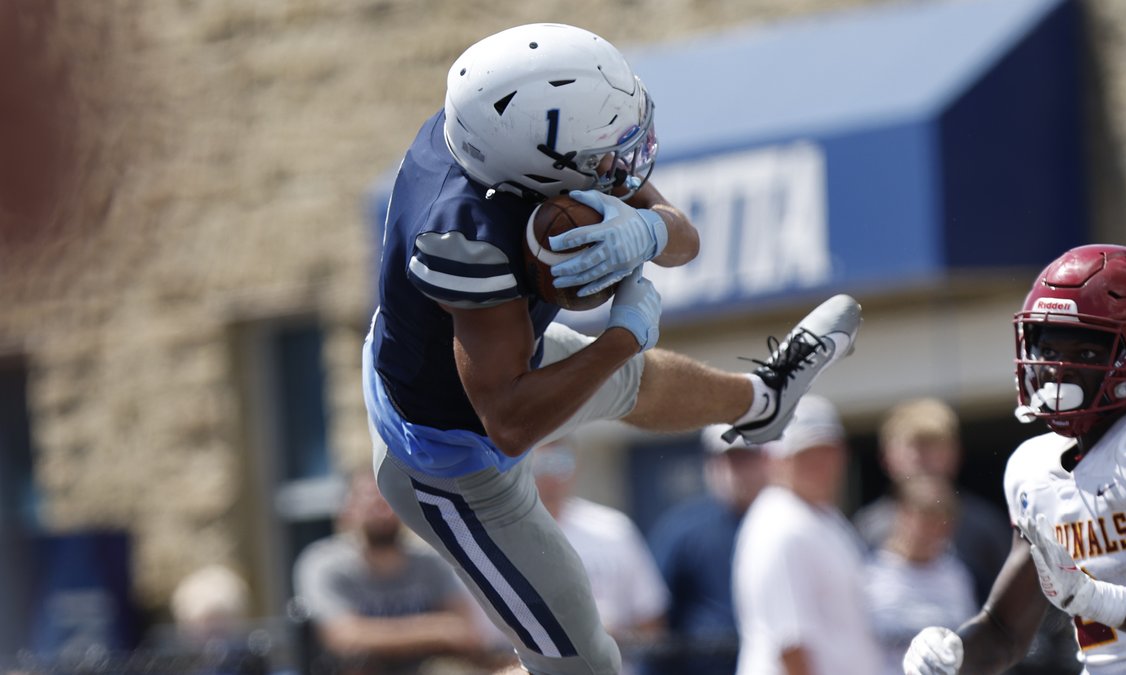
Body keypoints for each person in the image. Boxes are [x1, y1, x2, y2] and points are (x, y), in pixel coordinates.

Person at [362, 22, 862, 675]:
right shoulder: (463, 233)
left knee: (634, 381)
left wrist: (650, 230)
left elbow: (688, 241)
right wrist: (623, 332)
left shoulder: (497, 134)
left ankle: (761, 401)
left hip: (487, 368)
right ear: (538, 158)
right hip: (448, 461)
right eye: (604, 149)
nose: (623, 159)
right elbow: (510, 424)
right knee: (584, 663)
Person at [903, 243, 1126, 675]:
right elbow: (1004, 631)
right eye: (1048, 349)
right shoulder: (1033, 469)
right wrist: (951, 656)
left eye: (1084, 352)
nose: (1056, 369)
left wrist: (1097, 599)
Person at [732, 395, 883, 675]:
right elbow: (791, 645)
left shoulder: (824, 517)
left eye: (826, 451)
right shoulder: (780, 525)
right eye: (805, 454)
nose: (820, 464)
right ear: (774, 460)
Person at [293, 470, 488, 675]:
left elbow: (464, 629)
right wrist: (436, 630)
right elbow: (343, 637)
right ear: (347, 510)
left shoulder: (431, 562)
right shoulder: (324, 564)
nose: (383, 509)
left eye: (388, 499)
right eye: (371, 499)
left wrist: (381, 635)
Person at [852, 397, 1011, 606]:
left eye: (934, 446)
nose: (924, 459)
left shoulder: (984, 526)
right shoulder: (866, 528)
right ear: (887, 458)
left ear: (955, 454)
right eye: (914, 447)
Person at [530, 442, 668, 674]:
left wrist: (611, 638)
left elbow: (652, 618)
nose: (552, 475)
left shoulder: (613, 529)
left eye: (561, 462)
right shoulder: (502, 535)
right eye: (542, 464)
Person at [645, 425, 769, 675]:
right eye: (730, 460)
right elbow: (655, 616)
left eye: (747, 459)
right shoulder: (682, 528)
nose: (738, 471)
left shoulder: (786, 522)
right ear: (711, 464)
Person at [863, 476, 976, 674]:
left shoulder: (957, 576)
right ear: (902, 514)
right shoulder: (869, 575)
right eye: (926, 518)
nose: (934, 531)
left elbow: (969, 644)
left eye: (942, 521)